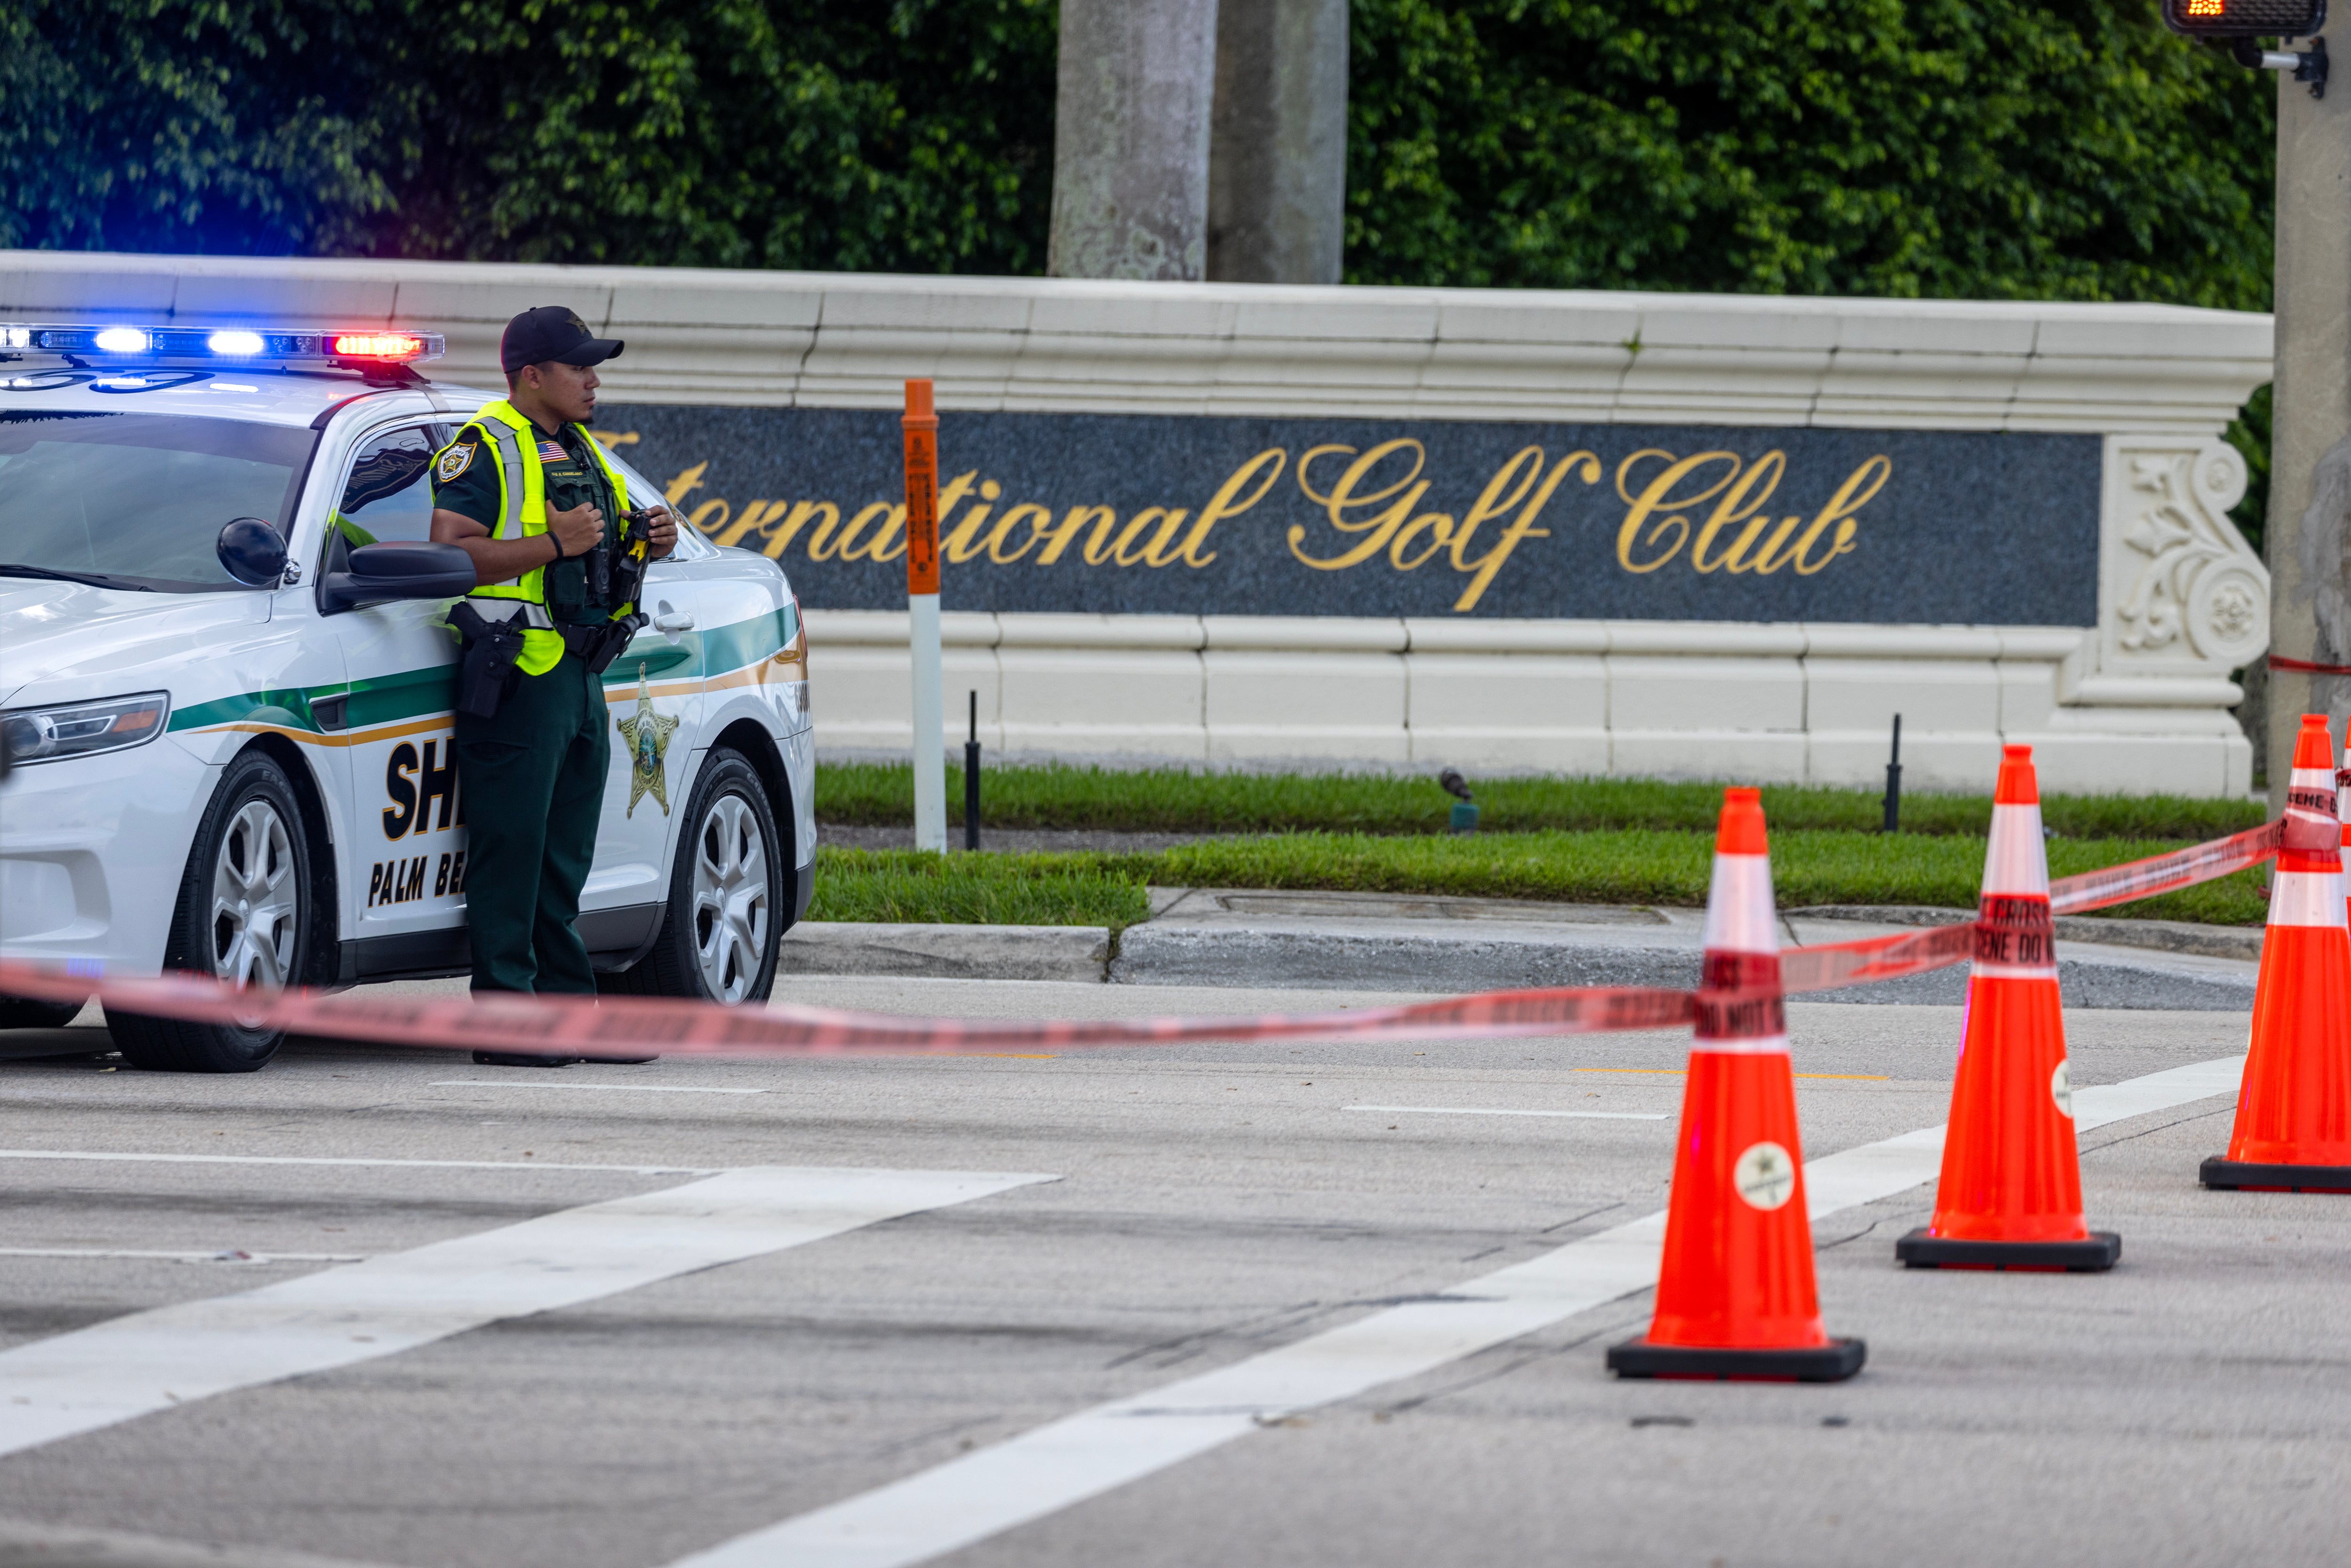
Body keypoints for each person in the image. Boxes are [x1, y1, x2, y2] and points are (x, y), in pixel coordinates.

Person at [429, 306, 678, 1064]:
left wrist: (650, 537)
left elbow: (599, 548)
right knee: (513, 854)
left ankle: (571, 1017)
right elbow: (450, 553)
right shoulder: (484, 447)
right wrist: (550, 542)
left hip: (579, 673)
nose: (593, 379)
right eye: (579, 366)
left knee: (564, 857)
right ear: (531, 375)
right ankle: (507, 1024)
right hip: (517, 677)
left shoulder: (577, 449)